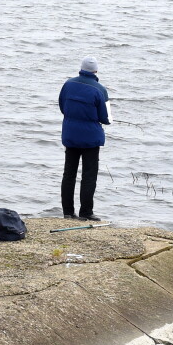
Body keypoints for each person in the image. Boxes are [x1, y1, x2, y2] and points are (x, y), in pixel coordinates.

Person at [58, 56, 110, 221]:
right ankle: (86, 212)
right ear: (96, 71)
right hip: (91, 139)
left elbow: (62, 106)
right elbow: (106, 118)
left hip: (70, 135)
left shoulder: (68, 84)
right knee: (89, 175)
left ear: (81, 68)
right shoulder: (100, 90)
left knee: (69, 174)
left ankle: (68, 212)